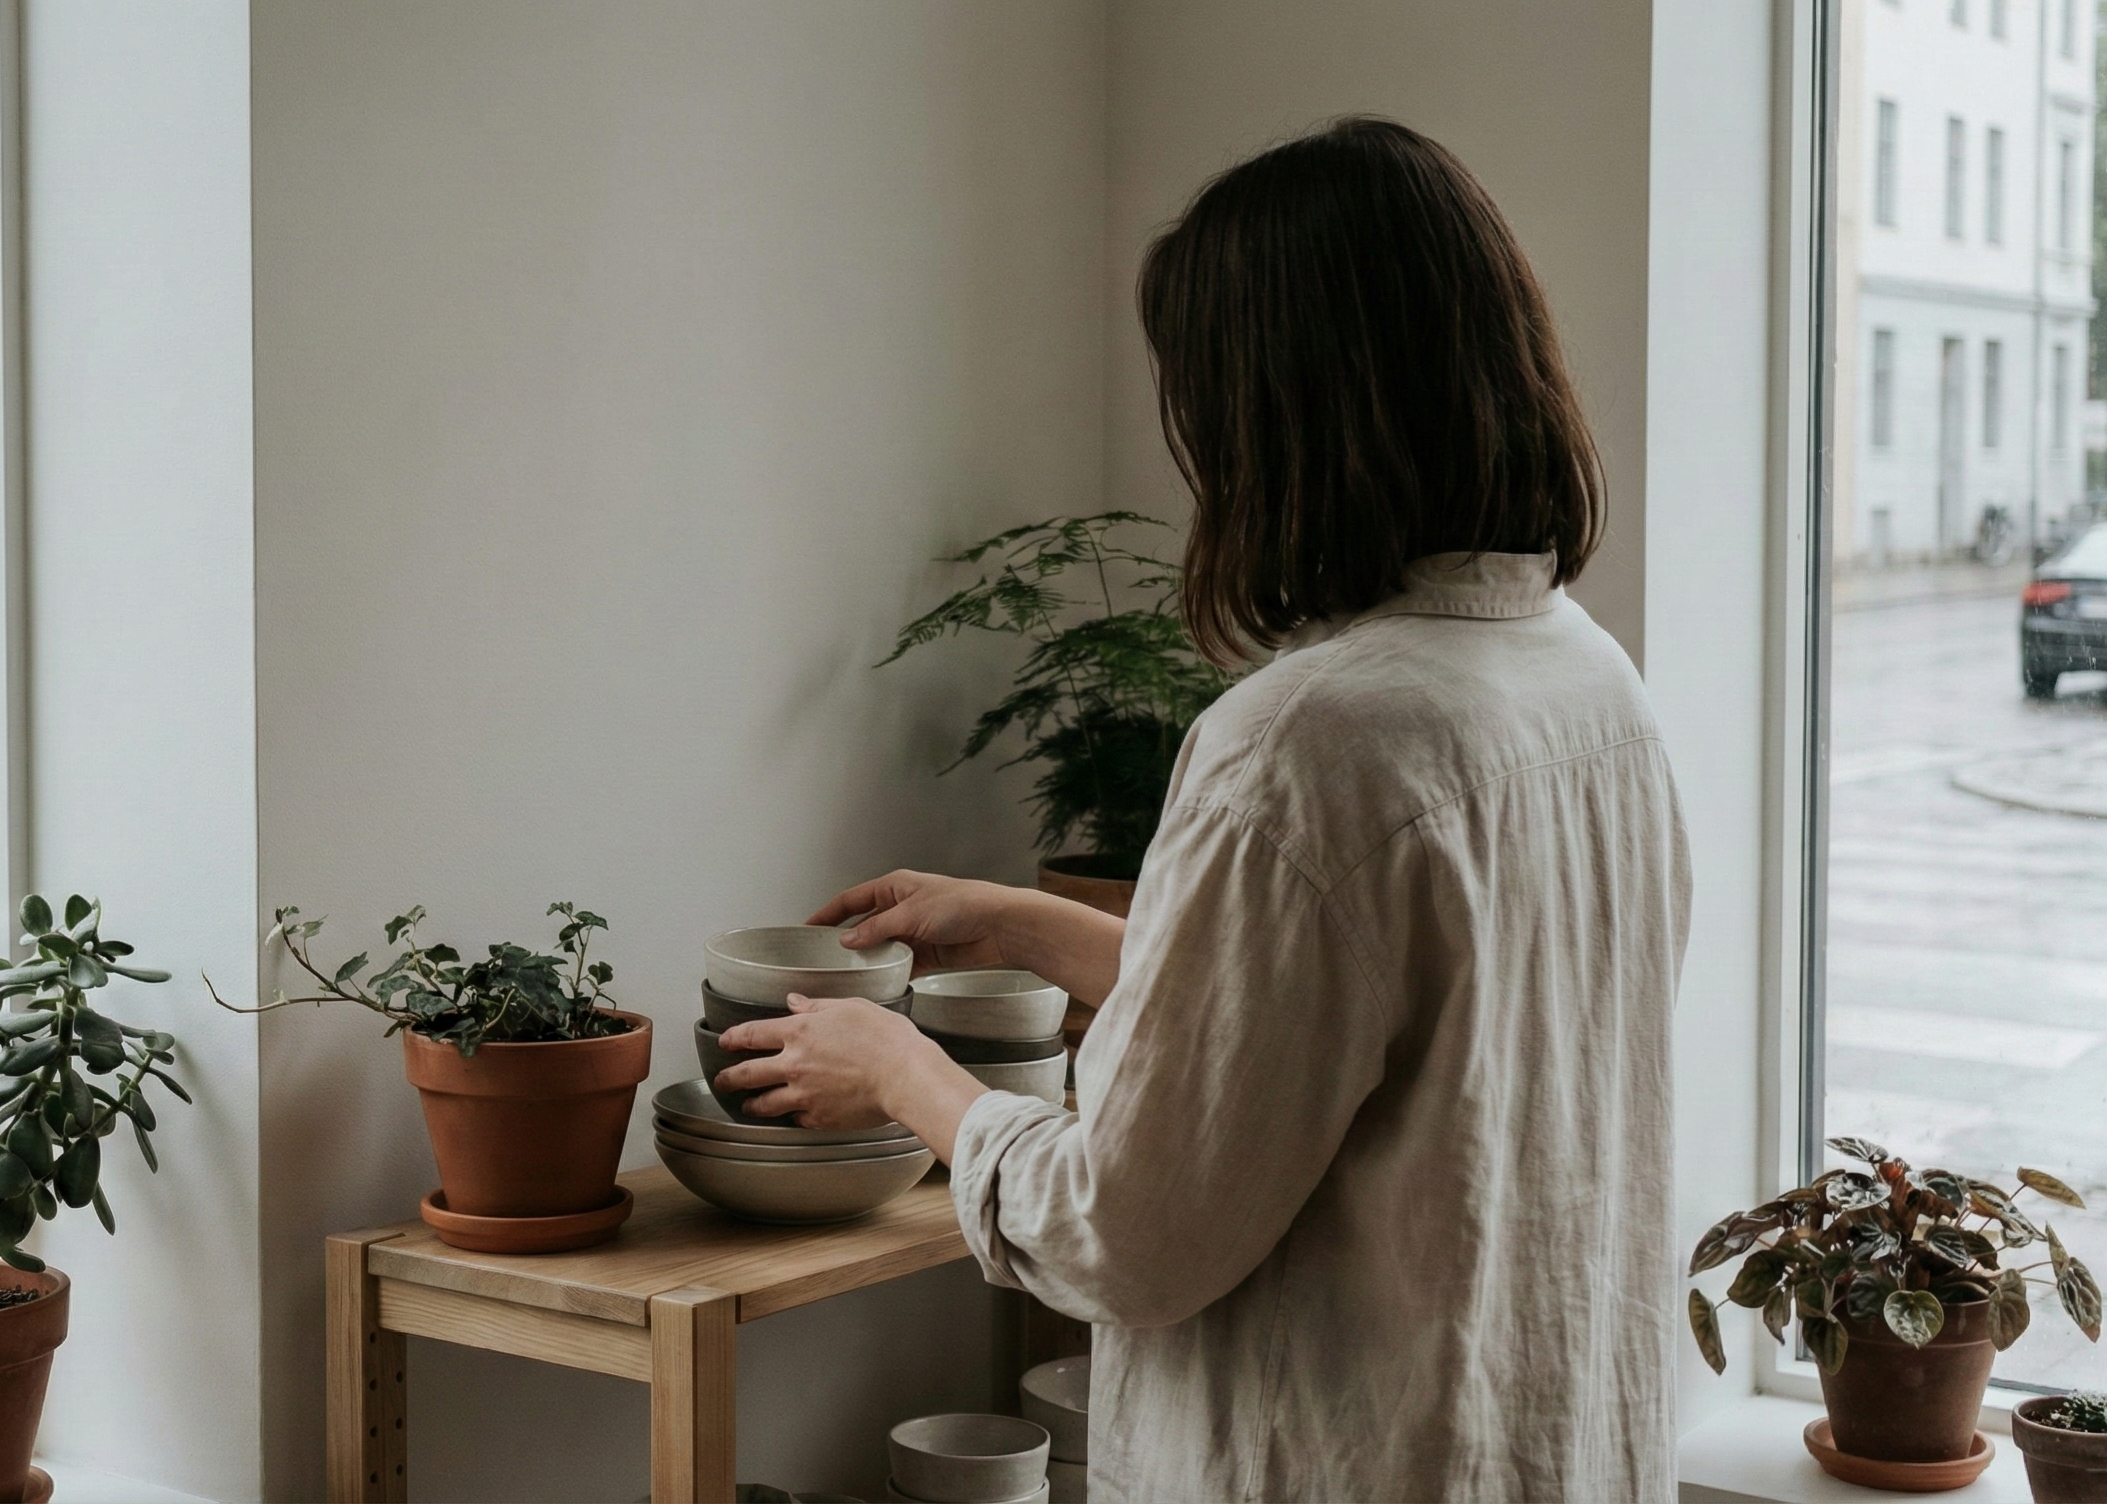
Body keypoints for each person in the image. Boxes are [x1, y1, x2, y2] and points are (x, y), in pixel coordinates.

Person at [713, 116, 1689, 1502]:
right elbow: (1365, 1038)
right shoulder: (1588, 684)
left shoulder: (1306, 742)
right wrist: (1030, 926)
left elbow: (1124, 1231)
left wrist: (899, 1071)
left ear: (1274, 414)